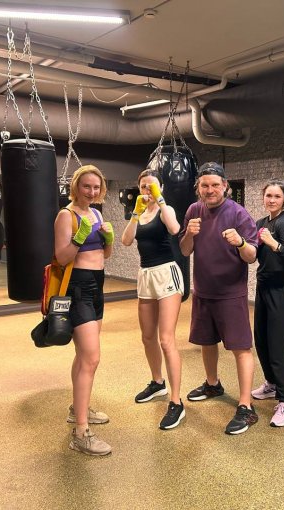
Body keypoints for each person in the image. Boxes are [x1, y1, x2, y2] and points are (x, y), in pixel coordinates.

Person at [179, 162, 260, 435]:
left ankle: (246, 405)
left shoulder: (239, 214)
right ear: (198, 188)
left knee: (241, 348)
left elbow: (252, 256)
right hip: (203, 290)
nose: (210, 190)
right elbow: (185, 251)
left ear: (225, 186)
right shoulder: (194, 210)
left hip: (230, 293)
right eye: (205, 185)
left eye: (215, 185)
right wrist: (189, 234)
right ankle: (213, 384)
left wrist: (240, 243)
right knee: (207, 341)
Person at [55, 164, 115, 456]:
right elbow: (62, 257)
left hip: (97, 284)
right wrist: (80, 236)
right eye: (86, 186)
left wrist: (109, 239)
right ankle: (81, 433)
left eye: (96, 187)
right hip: (77, 286)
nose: (91, 192)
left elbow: (105, 255)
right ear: (76, 187)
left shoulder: (97, 214)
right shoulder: (66, 215)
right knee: (92, 357)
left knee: (83, 356)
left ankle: (77, 408)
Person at [121, 168, 185, 430]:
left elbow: (175, 228)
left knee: (166, 339)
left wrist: (160, 199)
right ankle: (158, 382)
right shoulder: (139, 212)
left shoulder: (164, 209)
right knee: (147, 336)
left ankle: (176, 401)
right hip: (146, 275)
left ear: (160, 188)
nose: (147, 189)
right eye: (144, 186)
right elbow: (126, 240)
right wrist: (135, 212)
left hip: (166, 273)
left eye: (152, 186)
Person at [250, 180, 284, 427]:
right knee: (261, 341)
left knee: (277, 346)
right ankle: (271, 383)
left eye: (277, 196)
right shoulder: (261, 223)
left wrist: (274, 243)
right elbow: (253, 255)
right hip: (263, 286)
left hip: (281, 290)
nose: (272, 200)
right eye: (268, 195)